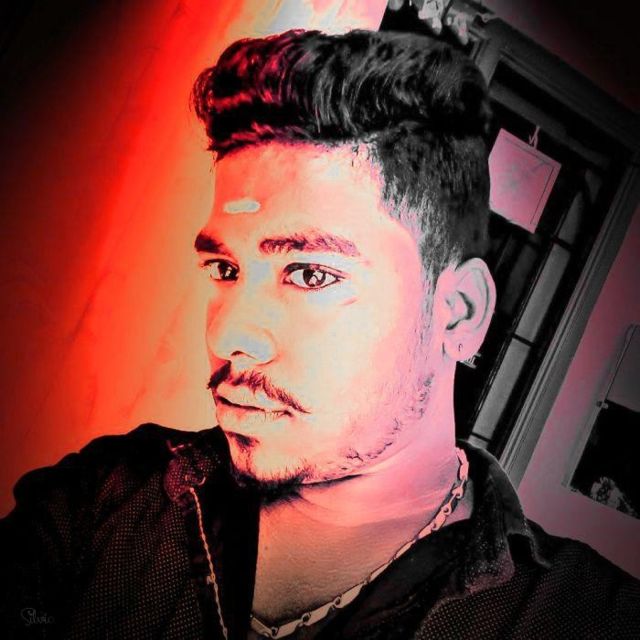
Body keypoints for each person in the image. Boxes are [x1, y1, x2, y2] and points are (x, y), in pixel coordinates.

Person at [1, 28, 638, 640]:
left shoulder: (588, 622)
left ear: (458, 313)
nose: (230, 336)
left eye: (310, 274)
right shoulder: (104, 499)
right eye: (225, 270)